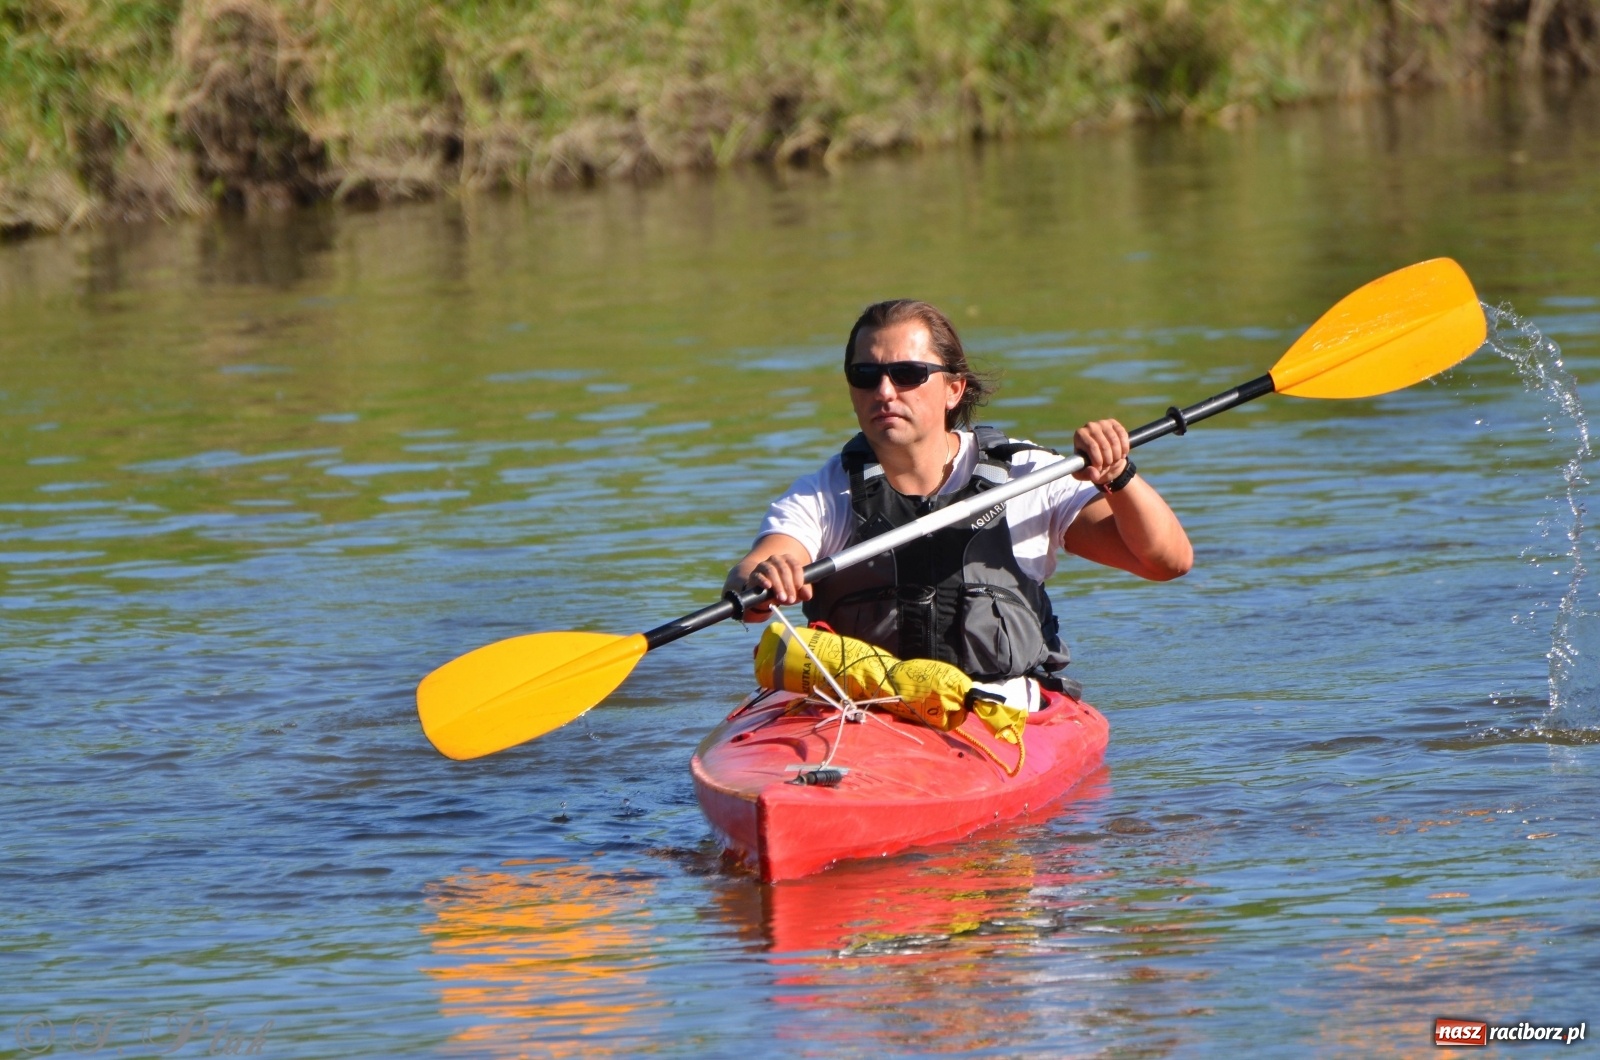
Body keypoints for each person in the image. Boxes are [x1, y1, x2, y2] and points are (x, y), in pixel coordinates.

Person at [724, 299, 1192, 703]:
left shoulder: (1028, 476)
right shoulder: (825, 492)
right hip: (859, 719)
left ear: (954, 389)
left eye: (907, 374)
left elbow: (1165, 562)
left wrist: (1120, 476)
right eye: (865, 375)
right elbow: (753, 575)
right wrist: (765, 579)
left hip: (996, 713)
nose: (884, 391)